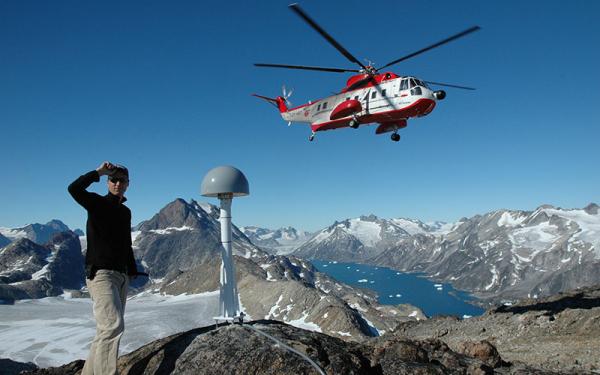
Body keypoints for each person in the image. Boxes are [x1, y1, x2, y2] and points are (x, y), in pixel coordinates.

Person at [68, 161, 143, 375]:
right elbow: (73, 189)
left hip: (121, 276)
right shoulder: (96, 203)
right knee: (113, 326)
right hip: (100, 274)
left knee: (105, 330)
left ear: (128, 184)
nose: (118, 183)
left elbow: (125, 242)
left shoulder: (125, 212)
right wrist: (98, 172)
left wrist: (132, 268)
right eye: (113, 180)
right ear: (108, 182)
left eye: (122, 180)